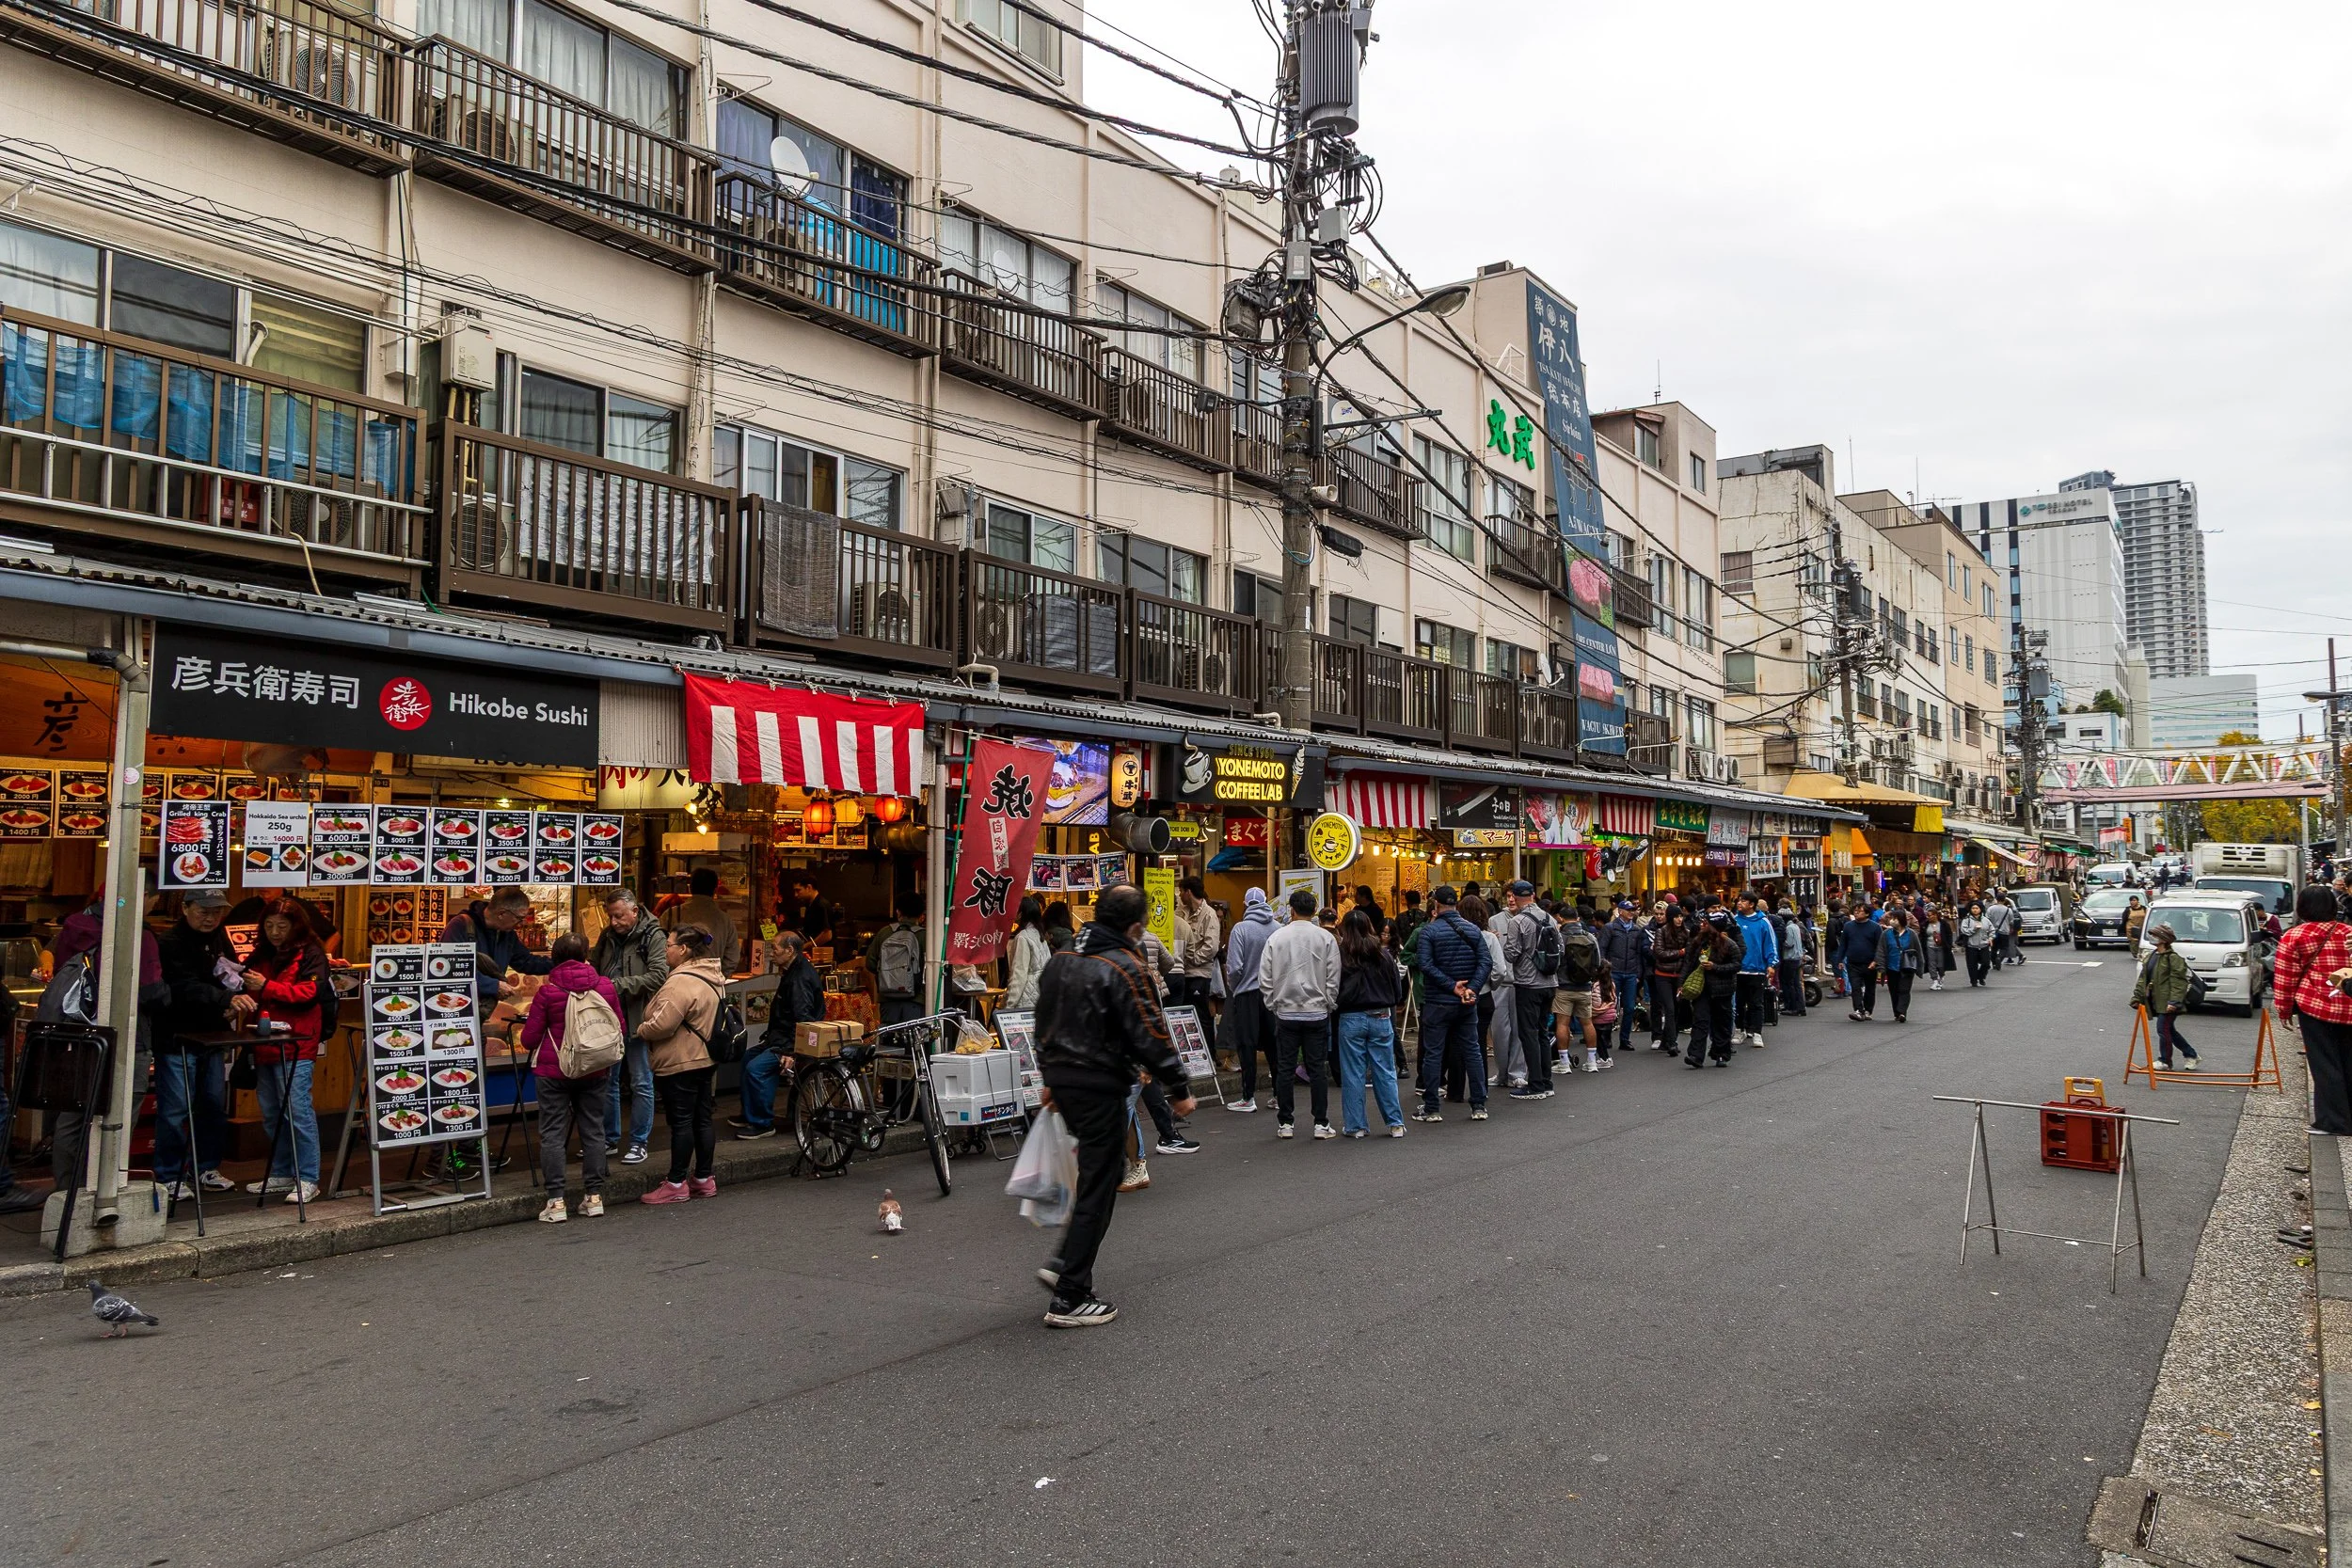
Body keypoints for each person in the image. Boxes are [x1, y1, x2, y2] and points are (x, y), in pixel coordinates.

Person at [1032, 883, 1193, 1328]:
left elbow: (1041, 1020)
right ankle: (1070, 1295)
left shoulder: (1061, 960)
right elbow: (1149, 1031)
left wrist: (1049, 1077)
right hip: (1100, 1083)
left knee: (1096, 1177)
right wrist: (1179, 1087)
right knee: (1100, 1185)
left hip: (1065, 1080)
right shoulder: (1126, 966)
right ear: (1135, 926)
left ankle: (1066, 1262)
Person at [517, 932, 621, 1222]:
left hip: (554, 1071)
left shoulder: (548, 992)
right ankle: (595, 1197)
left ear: (555, 957)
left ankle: (556, 1202)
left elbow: (529, 1039)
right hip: (595, 1068)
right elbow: (618, 1027)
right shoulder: (605, 986)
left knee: (552, 1133)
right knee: (593, 1130)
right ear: (586, 955)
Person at [237, 898, 329, 1203]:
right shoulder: (263, 952)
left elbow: (310, 993)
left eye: (282, 926)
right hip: (263, 1042)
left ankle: (308, 1177)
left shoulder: (311, 952)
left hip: (297, 1043)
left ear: (295, 926)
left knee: (297, 1111)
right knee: (272, 1113)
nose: (275, 932)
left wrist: (266, 986)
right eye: (269, 925)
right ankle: (281, 1172)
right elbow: (246, 984)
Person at [152, 890, 241, 1201]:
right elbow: (182, 986)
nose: (211, 917)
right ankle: (169, 1175)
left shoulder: (219, 939)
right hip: (176, 1037)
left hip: (213, 1036)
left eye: (217, 912)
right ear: (185, 908)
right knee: (176, 1109)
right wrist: (226, 999)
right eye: (204, 911)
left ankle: (205, 1168)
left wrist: (233, 994)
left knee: (213, 1106)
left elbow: (228, 973)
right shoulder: (169, 943)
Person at [635, 923, 726, 1205]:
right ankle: (703, 1178)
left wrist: (642, 1030)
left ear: (684, 949)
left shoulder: (681, 980)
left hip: (681, 1061)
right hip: (705, 1057)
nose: (665, 951)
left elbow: (663, 1023)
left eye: (669, 946)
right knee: (702, 1119)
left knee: (682, 1122)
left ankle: (676, 1182)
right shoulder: (713, 975)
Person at [591, 889, 670, 1166]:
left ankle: (639, 1142)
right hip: (609, 1019)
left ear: (635, 911)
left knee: (641, 1082)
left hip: (638, 1020)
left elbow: (660, 975)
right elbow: (594, 964)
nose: (614, 922)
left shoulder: (654, 936)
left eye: (619, 916)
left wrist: (617, 986)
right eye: (611, 916)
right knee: (608, 1082)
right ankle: (610, 1139)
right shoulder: (608, 935)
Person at [1259, 887, 1340, 1139]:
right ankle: (1320, 1122)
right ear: (1314, 910)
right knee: (1317, 1069)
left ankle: (1285, 1123)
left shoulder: (1277, 937)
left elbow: (1265, 977)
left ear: (1291, 910)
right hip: (1316, 1012)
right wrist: (1328, 1002)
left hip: (1286, 1011)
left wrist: (1274, 1003)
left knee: (1285, 1068)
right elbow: (1334, 975)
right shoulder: (1326, 938)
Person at [1412, 885, 1493, 1121]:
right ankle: (1479, 1105)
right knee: (1473, 1051)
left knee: (1434, 1053)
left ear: (1435, 905)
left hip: (1438, 1001)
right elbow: (1485, 962)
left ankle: (1432, 1107)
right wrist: (1471, 989)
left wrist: (1451, 986)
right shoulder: (1473, 930)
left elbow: (1425, 965)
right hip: (1466, 1003)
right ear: (1456, 903)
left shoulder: (1429, 932)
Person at [2277, 885, 2352, 1135]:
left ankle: (2332, 1121)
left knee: (2324, 1064)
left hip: (2315, 1006)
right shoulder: (2347, 932)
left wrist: (2284, 1010)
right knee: (2347, 1062)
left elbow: (2286, 977)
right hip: (2348, 1004)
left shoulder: (2295, 936)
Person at [733, 930, 821, 1140]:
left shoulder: (800, 977)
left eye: (775, 948)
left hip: (789, 1042)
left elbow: (804, 1018)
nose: (771, 953)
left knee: (757, 1070)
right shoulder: (791, 969)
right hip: (778, 1037)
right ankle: (749, 1114)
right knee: (747, 1059)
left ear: (790, 951)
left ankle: (762, 1122)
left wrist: (792, 1051)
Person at [1334, 909, 1406, 1138]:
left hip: (1350, 1016)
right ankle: (1395, 1123)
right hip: (1380, 1015)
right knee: (1384, 1071)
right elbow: (1397, 989)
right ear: (1369, 927)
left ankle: (1356, 1126)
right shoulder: (1382, 954)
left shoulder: (1341, 954)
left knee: (1352, 1073)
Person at [440, 886, 553, 1010]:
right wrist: (493, 986)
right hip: (455, 1007)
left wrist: (563, 963)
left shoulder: (507, 933)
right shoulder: (460, 926)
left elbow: (525, 961)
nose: (522, 924)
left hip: (483, 1009)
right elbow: (449, 968)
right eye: (520, 918)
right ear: (502, 914)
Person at [1502, 880, 1563, 1093]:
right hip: (1550, 982)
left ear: (1516, 897)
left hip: (1527, 983)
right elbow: (1560, 948)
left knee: (1528, 1033)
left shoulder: (1517, 921)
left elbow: (1511, 953)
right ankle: (1546, 1081)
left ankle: (1535, 1084)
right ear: (1534, 896)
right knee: (1543, 1032)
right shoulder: (1551, 919)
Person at [1221, 887, 1278, 1112]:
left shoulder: (1240, 929)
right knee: (1275, 1046)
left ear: (1245, 904)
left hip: (1246, 994)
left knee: (1247, 1045)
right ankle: (1279, 1095)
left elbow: (1234, 967)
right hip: (1272, 993)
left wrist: (1236, 988)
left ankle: (1248, 1097)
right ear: (1266, 903)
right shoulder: (1278, 928)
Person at [2128, 926, 2201, 1071]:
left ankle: (2165, 1060)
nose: (2151, 937)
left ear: (2164, 939)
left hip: (2169, 1002)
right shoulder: (2152, 956)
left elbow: (2179, 982)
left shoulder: (2173, 959)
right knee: (2168, 1030)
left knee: (2163, 1029)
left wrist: (2174, 1002)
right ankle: (2191, 1055)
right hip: (2158, 1000)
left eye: (2154, 935)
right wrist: (2137, 997)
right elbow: (2143, 978)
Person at [1470, 895, 1521, 1089]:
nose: (1511, 899)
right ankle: (1502, 1072)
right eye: (1508, 895)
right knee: (1499, 1031)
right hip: (1498, 983)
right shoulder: (1494, 921)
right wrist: (1492, 983)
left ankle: (1516, 1073)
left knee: (1519, 1030)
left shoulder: (1528, 919)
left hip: (1521, 981)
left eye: (1514, 896)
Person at [1688, 911, 1742, 1069]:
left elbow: (1736, 965)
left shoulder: (1729, 944)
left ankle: (1721, 1054)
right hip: (1702, 987)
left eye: (1707, 923)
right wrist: (1682, 982)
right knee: (1700, 1020)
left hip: (1723, 989)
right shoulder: (1699, 942)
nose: (1703, 925)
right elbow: (1689, 963)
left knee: (1721, 1022)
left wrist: (1715, 967)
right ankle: (1696, 1055)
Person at [1597, 898, 1650, 1060]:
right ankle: (1606, 1038)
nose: (1632, 912)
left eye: (1633, 910)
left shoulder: (1636, 930)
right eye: (1629, 910)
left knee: (1629, 1007)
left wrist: (1638, 973)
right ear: (1620, 911)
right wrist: (1604, 971)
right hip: (1614, 972)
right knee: (1609, 1006)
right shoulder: (1610, 928)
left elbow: (1639, 953)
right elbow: (1602, 949)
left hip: (1631, 973)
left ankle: (1625, 1039)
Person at [866, 896, 927, 1027]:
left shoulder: (885, 933)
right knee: (913, 1041)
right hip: (916, 1000)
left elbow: (870, 963)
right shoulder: (925, 936)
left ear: (898, 912)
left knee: (888, 1042)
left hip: (888, 1000)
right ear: (922, 915)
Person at [666, 868, 740, 974]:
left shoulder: (671, 914)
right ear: (715, 890)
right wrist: (715, 977)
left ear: (690, 888)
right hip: (710, 982)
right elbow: (732, 959)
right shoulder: (725, 920)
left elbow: (659, 954)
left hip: (677, 979)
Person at [1732, 892, 1780, 1050]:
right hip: (1738, 970)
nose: (1739, 903)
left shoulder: (1763, 922)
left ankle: (1757, 1032)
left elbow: (1770, 945)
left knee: (1756, 1003)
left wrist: (1771, 964)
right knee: (1738, 1003)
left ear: (1752, 904)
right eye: (1739, 900)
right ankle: (1740, 1030)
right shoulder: (1734, 921)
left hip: (1757, 970)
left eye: (1743, 901)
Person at [1173, 877, 1220, 1017]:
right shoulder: (1180, 912)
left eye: (1181, 891)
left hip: (1199, 974)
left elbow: (1211, 947)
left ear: (1188, 892)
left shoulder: (1209, 915)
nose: (1179, 894)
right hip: (1182, 973)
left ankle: (1206, 1039)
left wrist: (1193, 959)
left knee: (1199, 1014)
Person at [1648, 907, 1690, 1056]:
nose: (1680, 919)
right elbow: (1659, 953)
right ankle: (1672, 1043)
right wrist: (1679, 953)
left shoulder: (1686, 933)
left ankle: (1666, 1040)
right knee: (1670, 1009)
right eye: (1676, 916)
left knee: (1677, 1010)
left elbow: (1689, 956)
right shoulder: (1662, 931)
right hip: (1663, 975)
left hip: (1678, 975)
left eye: (1681, 916)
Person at [1003, 895, 1051, 1013]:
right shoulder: (1040, 935)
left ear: (1022, 913)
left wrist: (1009, 1006)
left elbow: (1018, 974)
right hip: (1041, 995)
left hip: (1026, 997)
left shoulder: (1022, 937)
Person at [1875, 909, 1923, 1022]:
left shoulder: (1911, 934)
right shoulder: (1886, 934)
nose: (1892, 921)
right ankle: (1897, 1012)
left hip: (1907, 967)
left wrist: (1920, 967)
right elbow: (1881, 950)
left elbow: (1918, 951)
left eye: (1894, 919)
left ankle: (1902, 1012)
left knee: (1904, 990)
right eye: (1891, 918)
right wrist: (1881, 966)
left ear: (1901, 920)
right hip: (1892, 967)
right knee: (1894, 990)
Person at [1841, 902, 1885, 1019]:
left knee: (1870, 988)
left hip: (1870, 963)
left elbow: (1880, 947)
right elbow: (1843, 944)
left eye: (1859, 911)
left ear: (1867, 913)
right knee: (1855, 987)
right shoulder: (1848, 926)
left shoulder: (1875, 927)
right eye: (1855, 910)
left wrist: (1876, 961)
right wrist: (1840, 959)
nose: (1856, 913)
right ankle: (1858, 1010)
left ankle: (1868, 1010)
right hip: (1853, 962)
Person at [1775, 901, 1809, 1016]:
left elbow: (1789, 943)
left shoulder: (1789, 928)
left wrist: (1779, 942)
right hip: (1798, 957)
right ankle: (1801, 1007)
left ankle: (1792, 1007)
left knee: (1789, 984)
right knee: (1797, 984)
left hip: (1790, 958)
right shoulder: (1795, 926)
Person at [1960, 901, 1994, 988]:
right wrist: (1974, 929)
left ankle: (1981, 976)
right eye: (1973, 908)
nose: (1975, 910)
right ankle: (1973, 980)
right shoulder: (1966, 920)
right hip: (1971, 945)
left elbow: (1992, 930)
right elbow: (1964, 931)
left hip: (1984, 944)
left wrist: (1990, 938)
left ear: (1980, 909)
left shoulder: (1985, 920)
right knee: (1972, 965)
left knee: (1986, 963)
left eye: (1977, 908)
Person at [1987, 892, 2020, 968]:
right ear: (2004, 900)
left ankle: (1994, 963)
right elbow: (2011, 921)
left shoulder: (1990, 909)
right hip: (2005, 931)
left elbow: (1987, 920)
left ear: (1996, 899)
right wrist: (2011, 929)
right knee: (2004, 948)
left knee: (1993, 948)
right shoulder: (2008, 910)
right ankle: (1999, 958)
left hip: (1993, 931)